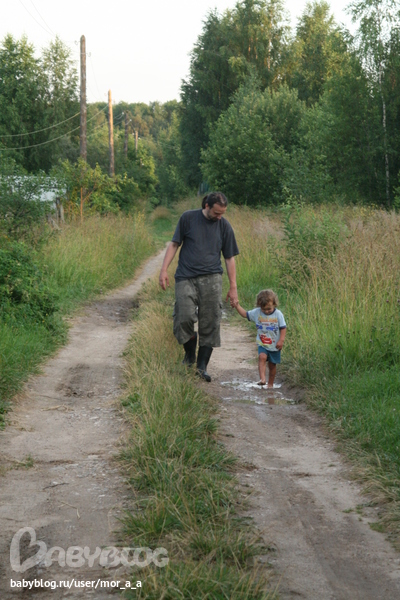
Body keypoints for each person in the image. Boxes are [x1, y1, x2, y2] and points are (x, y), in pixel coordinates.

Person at [159, 192, 239, 382]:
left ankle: (201, 367)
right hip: (185, 276)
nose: (219, 217)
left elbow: (229, 258)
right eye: (216, 213)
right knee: (183, 317)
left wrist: (233, 287)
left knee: (210, 321)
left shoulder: (224, 226)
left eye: (222, 213)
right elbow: (174, 244)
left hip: (212, 279)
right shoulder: (188, 218)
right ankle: (189, 354)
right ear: (207, 206)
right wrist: (164, 270)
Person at [233, 289, 286, 388]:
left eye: (269, 309)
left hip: (275, 345)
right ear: (259, 306)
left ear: (274, 304)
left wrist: (281, 340)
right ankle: (262, 379)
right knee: (262, 357)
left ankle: (270, 384)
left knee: (272, 365)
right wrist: (237, 306)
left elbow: (283, 328)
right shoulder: (257, 312)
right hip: (262, 343)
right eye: (263, 309)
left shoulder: (278, 314)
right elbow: (245, 314)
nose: (266, 311)